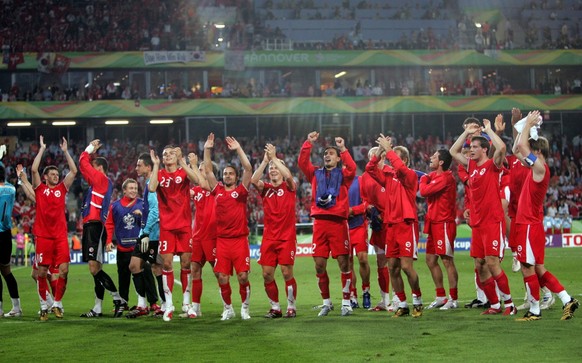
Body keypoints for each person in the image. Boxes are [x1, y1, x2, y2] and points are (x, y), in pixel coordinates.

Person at [513, 110, 579, 321]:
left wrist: (527, 125)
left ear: (536, 151)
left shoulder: (540, 167)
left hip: (529, 225)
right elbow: (517, 149)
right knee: (538, 268)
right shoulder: (537, 168)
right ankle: (567, 299)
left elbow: (522, 147)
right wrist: (521, 126)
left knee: (527, 268)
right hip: (532, 224)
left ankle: (534, 310)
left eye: (530, 149)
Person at [450, 118, 516, 316]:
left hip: (492, 221)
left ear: (485, 150)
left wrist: (488, 130)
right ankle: (495, 304)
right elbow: (454, 152)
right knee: (479, 265)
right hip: (477, 223)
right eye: (471, 147)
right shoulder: (471, 166)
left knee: (492, 263)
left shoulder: (492, 165)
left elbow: (502, 147)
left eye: (475, 147)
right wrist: (466, 133)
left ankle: (510, 304)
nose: (471, 150)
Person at [298, 131, 356, 317]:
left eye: (331, 154)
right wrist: (308, 143)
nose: (327, 156)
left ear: (338, 159)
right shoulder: (315, 173)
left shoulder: (344, 175)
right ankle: (327, 302)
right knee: (319, 265)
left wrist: (343, 148)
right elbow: (302, 162)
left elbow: (353, 168)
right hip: (320, 224)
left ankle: (346, 303)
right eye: (325, 154)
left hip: (338, 223)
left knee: (343, 263)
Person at [366, 135, 423, 318]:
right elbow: (370, 168)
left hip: (406, 224)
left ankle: (418, 300)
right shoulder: (388, 177)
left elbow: (398, 167)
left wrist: (389, 150)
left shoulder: (411, 176)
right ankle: (403, 304)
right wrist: (381, 151)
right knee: (393, 267)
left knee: (406, 267)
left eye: (394, 156)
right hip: (390, 225)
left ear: (404, 159)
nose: (390, 159)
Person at [150, 144, 203, 321]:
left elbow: (197, 180)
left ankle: (186, 304)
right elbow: (151, 188)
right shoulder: (160, 174)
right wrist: (156, 165)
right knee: (166, 264)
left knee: (186, 264)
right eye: (165, 154)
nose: (167, 156)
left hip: (184, 227)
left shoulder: (183, 172)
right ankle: (169, 304)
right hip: (166, 227)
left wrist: (182, 161)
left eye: (171, 153)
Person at [203, 133, 253, 320]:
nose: (227, 176)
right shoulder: (217, 191)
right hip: (222, 241)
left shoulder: (241, 192)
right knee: (222, 277)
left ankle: (245, 308)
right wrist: (207, 149)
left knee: (243, 277)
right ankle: (228, 308)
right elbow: (208, 171)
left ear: (236, 177)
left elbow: (248, 168)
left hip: (239, 241)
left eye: (231, 173)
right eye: (225, 174)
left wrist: (238, 149)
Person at [30, 136, 77, 320]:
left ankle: (57, 303)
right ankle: (43, 306)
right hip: (43, 236)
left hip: (59, 237)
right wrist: (41, 149)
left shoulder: (62, 189)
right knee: (41, 272)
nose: (56, 175)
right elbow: (34, 169)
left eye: (57, 174)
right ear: (45, 177)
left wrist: (65, 151)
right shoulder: (40, 189)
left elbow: (73, 171)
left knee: (64, 270)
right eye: (52, 174)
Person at [251, 143, 298, 319]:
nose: (273, 169)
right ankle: (275, 307)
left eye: (275, 167)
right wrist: (265, 161)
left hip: (286, 238)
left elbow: (288, 175)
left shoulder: (289, 187)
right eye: (271, 168)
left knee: (287, 273)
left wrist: (275, 158)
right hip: (269, 238)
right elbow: (254, 181)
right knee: (266, 274)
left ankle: (291, 306)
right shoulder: (267, 190)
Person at [79, 139, 125, 318]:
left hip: (95, 226)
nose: (90, 169)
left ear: (99, 168)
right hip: (93, 226)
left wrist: (89, 149)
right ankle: (97, 307)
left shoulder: (100, 179)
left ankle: (118, 298)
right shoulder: (99, 184)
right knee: (96, 267)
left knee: (93, 268)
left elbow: (82, 162)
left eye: (93, 166)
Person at [419, 149, 459, 310]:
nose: (430, 157)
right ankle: (441, 296)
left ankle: (453, 299)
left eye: (434, 157)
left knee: (447, 260)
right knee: (430, 260)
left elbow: (423, 191)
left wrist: (423, 178)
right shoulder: (435, 176)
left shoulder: (445, 177)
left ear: (441, 162)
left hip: (443, 223)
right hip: (434, 223)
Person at [126, 153, 163, 318]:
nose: (136, 168)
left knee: (157, 268)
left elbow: (155, 211)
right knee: (135, 266)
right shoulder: (147, 183)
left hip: (152, 234)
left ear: (148, 167)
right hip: (146, 232)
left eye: (139, 165)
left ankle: (163, 304)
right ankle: (142, 304)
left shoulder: (151, 185)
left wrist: (146, 232)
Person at [360, 147, 393, 312]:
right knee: (381, 262)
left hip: (393, 224)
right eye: (372, 157)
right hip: (378, 225)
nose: (376, 159)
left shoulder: (391, 173)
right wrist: (369, 207)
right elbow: (362, 199)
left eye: (379, 156)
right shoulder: (364, 178)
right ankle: (384, 299)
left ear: (384, 157)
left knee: (396, 262)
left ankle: (398, 299)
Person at [105, 178, 143, 316]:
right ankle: (123, 303)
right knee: (123, 278)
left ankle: (143, 303)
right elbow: (109, 224)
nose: (134, 191)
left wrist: (142, 215)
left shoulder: (142, 204)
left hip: (138, 249)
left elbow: (150, 221)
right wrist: (108, 241)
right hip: (122, 248)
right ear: (124, 190)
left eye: (135, 188)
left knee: (141, 276)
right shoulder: (114, 206)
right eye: (131, 188)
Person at [186, 155, 216, 319]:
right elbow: (184, 189)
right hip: (197, 237)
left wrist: (193, 164)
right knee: (195, 270)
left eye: (201, 170)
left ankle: (228, 306)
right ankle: (196, 308)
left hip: (211, 236)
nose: (198, 173)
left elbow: (203, 182)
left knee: (218, 272)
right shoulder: (196, 191)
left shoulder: (214, 188)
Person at [347, 172, 371, 309]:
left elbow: (367, 202)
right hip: (343, 227)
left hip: (359, 226)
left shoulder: (360, 180)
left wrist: (352, 210)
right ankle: (352, 295)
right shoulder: (336, 182)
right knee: (347, 264)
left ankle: (366, 291)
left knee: (362, 259)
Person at [0, 160, 21, 318]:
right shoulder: (11, 188)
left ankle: (0, 309)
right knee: (6, 271)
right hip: (6, 234)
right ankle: (16, 307)